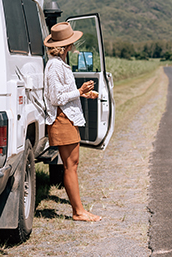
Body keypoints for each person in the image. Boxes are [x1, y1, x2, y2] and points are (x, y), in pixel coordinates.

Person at [44, 22, 102, 222]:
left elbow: (62, 94)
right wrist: (79, 91)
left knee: (72, 164)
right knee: (70, 165)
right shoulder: (54, 66)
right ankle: (78, 212)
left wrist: (84, 94)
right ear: (66, 46)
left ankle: (79, 210)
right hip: (62, 118)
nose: (74, 46)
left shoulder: (59, 64)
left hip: (66, 116)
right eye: (72, 43)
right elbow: (54, 97)